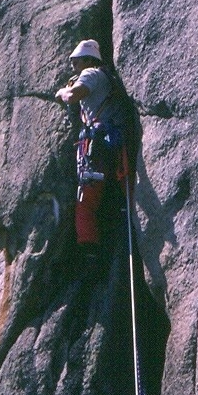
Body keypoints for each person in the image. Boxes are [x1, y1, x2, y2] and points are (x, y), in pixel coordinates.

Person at [55, 39, 125, 260]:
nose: (73, 67)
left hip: (97, 144)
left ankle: (89, 249)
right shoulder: (105, 76)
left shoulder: (90, 74)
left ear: (87, 60)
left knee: (86, 198)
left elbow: (73, 96)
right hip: (111, 141)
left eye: (76, 62)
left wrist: (61, 93)